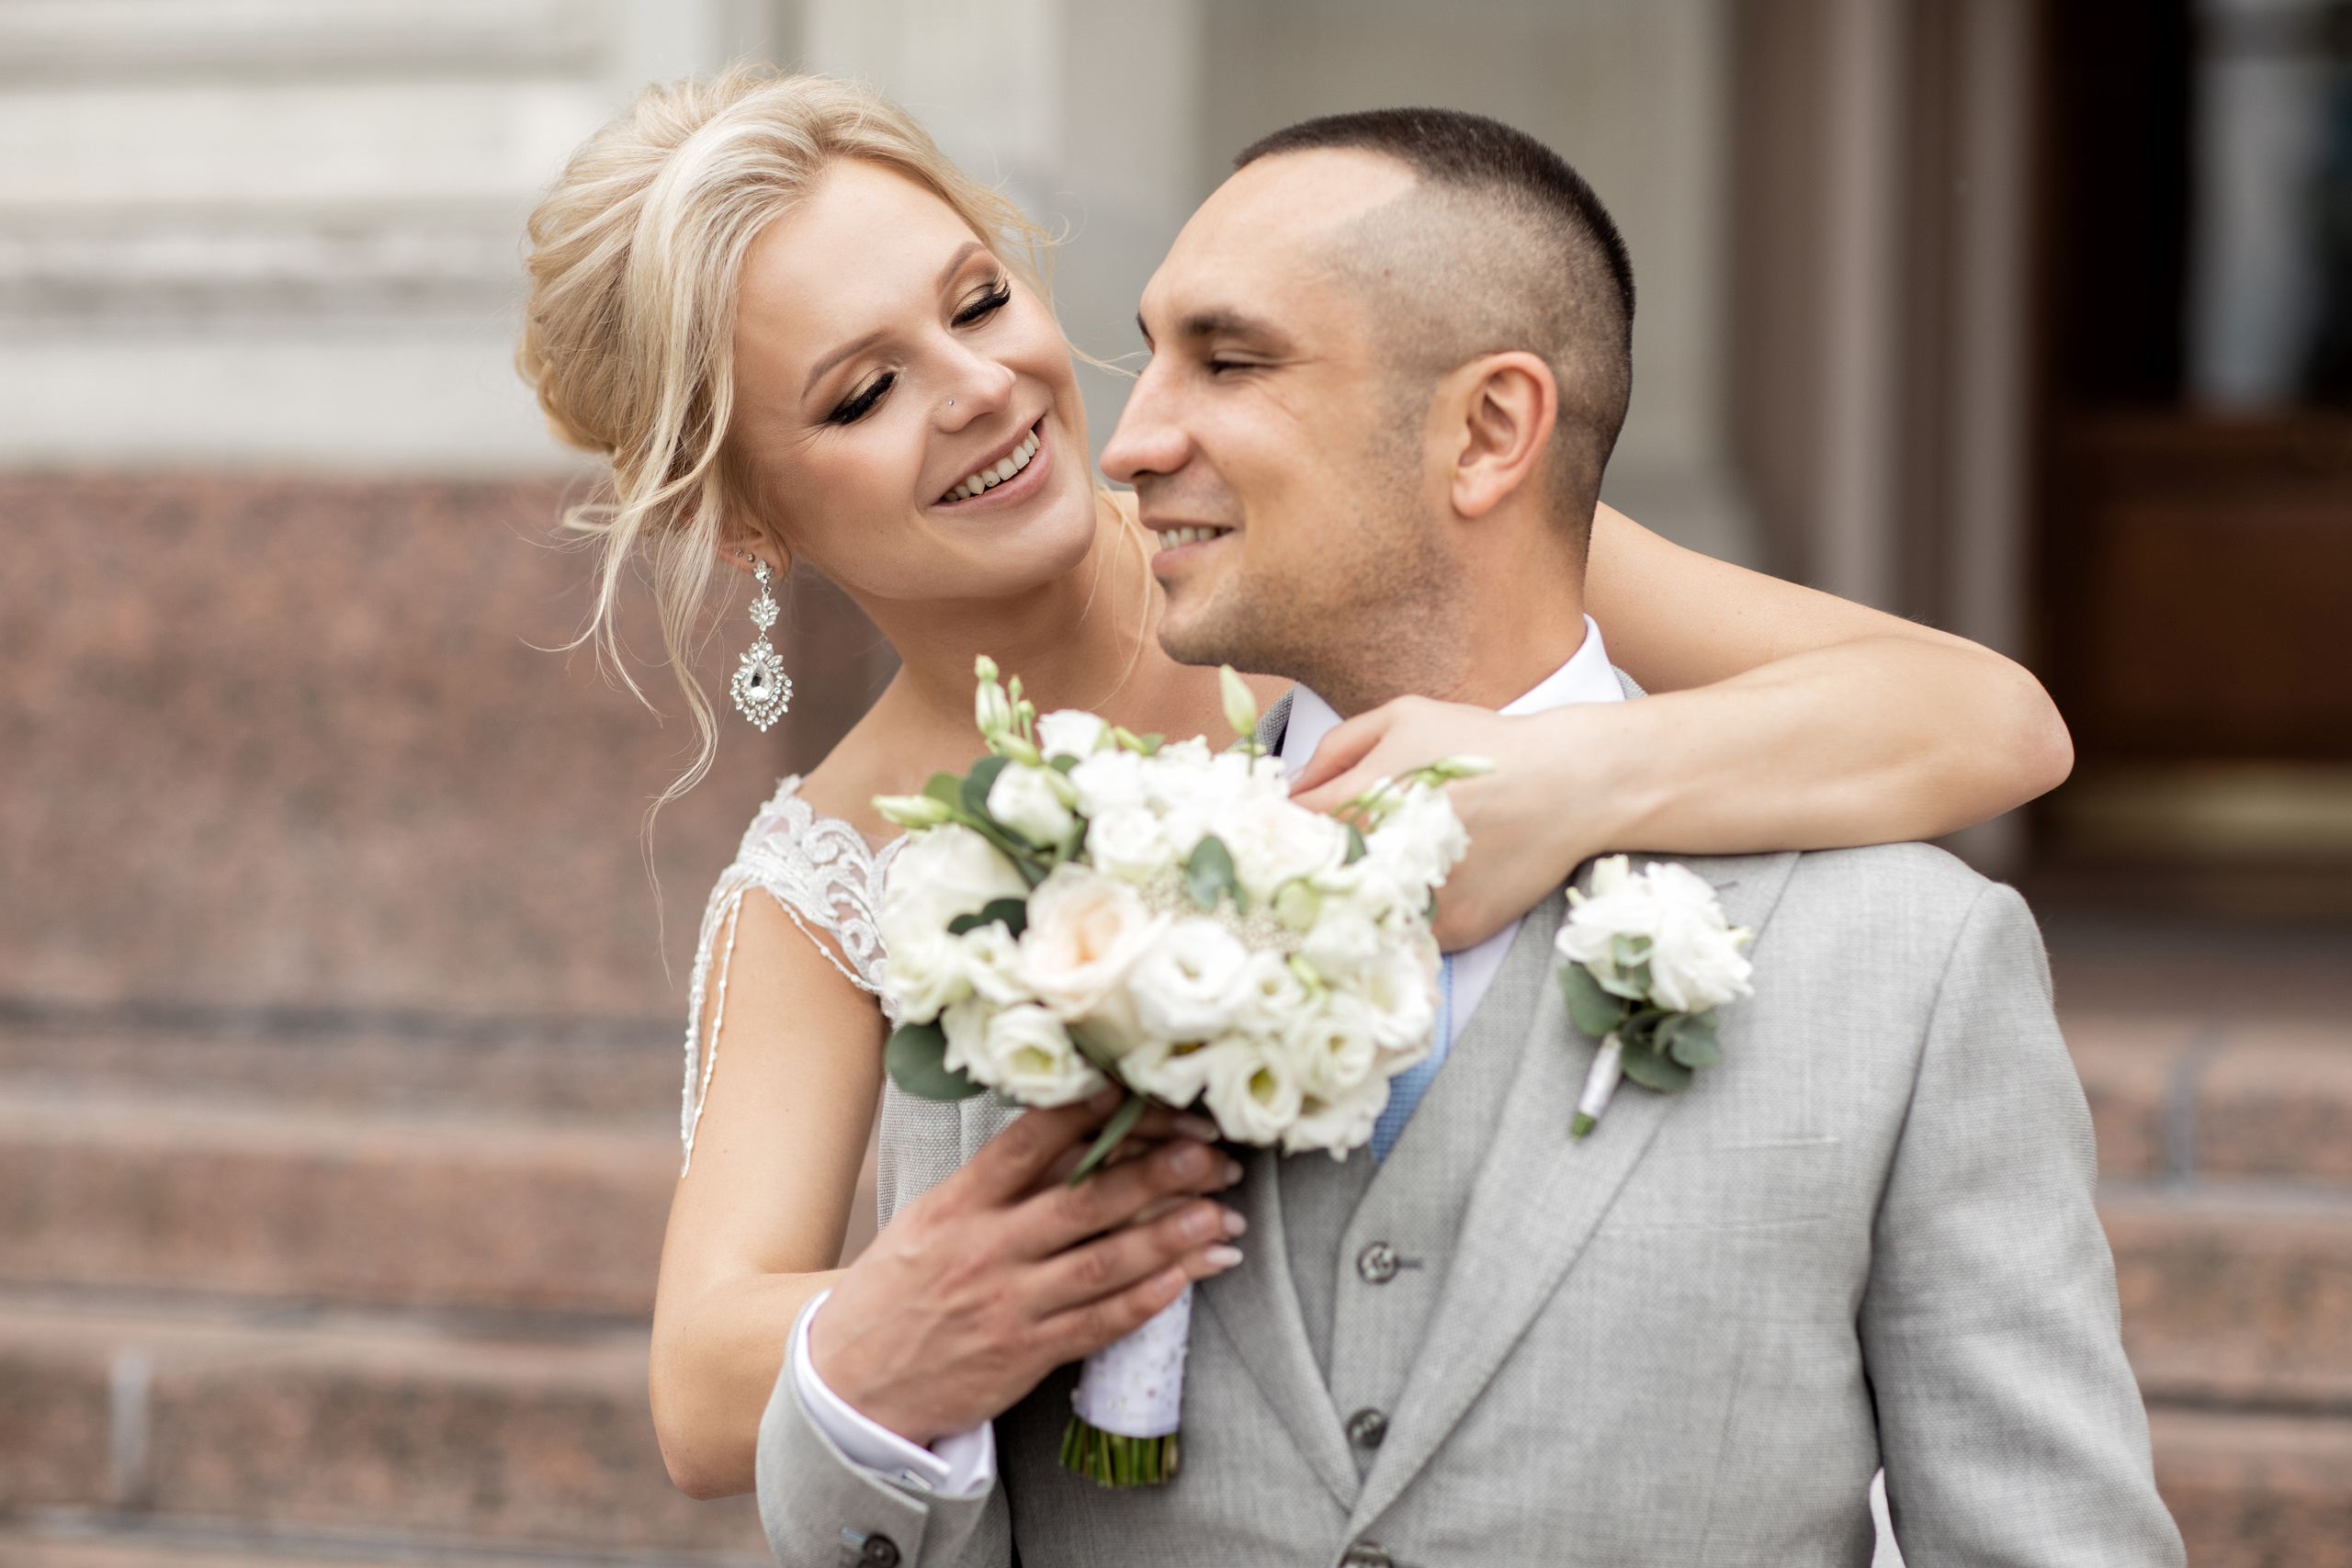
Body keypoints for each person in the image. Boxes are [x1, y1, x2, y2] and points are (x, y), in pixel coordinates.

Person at [515, 72, 2075, 1518]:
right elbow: (705, 1387)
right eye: (862, 395)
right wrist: (997, 1275)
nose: (984, 388)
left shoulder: (1332, 552)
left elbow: (1989, 722)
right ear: (749, 528)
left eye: (981, 302)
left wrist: (1569, 772)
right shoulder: (844, 872)